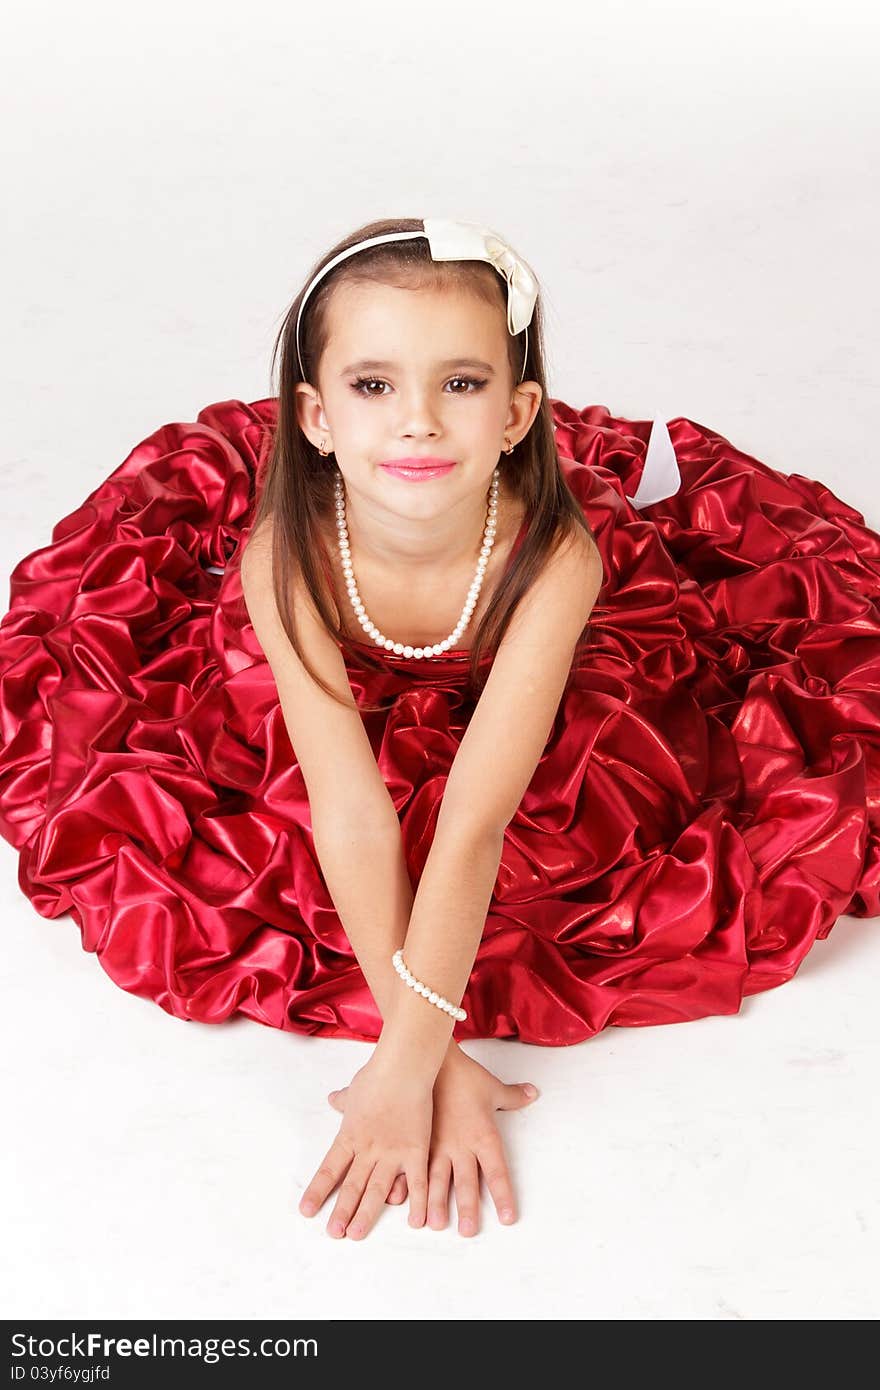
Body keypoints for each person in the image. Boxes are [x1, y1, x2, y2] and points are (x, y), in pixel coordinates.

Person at [1, 217, 878, 1244]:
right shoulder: (286, 555)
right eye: (373, 387)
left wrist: (405, 1055)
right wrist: (432, 1051)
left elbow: (471, 822)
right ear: (315, 417)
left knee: (577, 851)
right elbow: (353, 813)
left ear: (516, 415)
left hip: (511, 631)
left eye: (460, 385)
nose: (417, 421)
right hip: (346, 642)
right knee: (260, 833)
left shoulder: (557, 561)